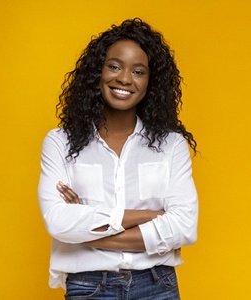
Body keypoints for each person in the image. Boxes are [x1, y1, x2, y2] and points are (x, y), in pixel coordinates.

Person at [38, 18, 198, 299]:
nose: (124, 78)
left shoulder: (171, 146)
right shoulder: (59, 142)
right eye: (114, 66)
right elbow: (59, 222)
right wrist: (151, 217)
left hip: (156, 286)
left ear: (151, 82)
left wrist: (87, 229)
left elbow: (184, 227)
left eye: (138, 71)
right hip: (89, 288)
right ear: (97, 72)